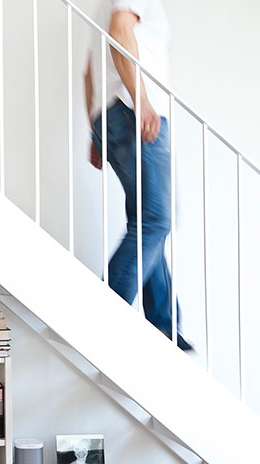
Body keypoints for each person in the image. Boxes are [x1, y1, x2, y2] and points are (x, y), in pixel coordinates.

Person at [84, 0, 192, 351]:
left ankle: (164, 324)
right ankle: (102, 313)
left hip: (111, 116)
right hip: (135, 114)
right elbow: (120, 31)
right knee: (156, 221)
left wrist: (95, 130)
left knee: (145, 224)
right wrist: (142, 99)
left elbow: (89, 73)